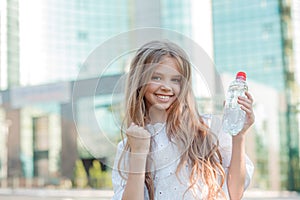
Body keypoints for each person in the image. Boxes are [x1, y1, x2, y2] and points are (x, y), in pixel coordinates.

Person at [111, 40, 254, 200]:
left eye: (175, 80)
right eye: (156, 77)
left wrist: (239, 136)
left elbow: (235, 194)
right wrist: (138, 152)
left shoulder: (207, 129)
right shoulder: (129, 145)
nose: (166, 86)